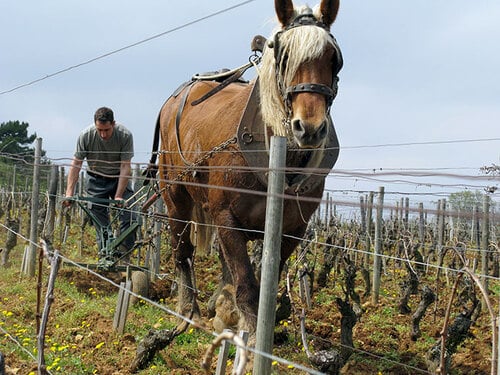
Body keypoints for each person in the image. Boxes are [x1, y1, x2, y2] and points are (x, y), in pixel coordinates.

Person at [63, 106, 137, 260]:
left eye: (107, 130)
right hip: (96, 179)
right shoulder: (86, 136)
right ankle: (106, 255)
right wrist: (69, 192)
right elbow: (76, 164)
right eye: (100, 130)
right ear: (95, 125)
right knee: (100, 221)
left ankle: (124, 256)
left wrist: (118, 196)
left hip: (118, 178)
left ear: (113, 124)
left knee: (130, 215)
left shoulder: (125, 135)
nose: (103, 135)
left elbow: (125, 166)